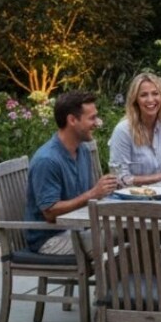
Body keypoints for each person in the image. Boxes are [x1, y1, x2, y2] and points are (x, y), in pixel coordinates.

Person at [25, 90, 118, 254]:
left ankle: (125, 279)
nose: (96, 123)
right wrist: (93, 194)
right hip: (50, 239)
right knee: (130, 233)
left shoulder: (81, 150)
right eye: (92, 118)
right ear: (72, 120)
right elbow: (50, 213)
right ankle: (122, 279)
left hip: (77, 229)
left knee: (134, 228)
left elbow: (87, 197)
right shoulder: (47, 160)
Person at [108, 71, 161, 184]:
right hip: (134, 198)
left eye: (155, 93)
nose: (150, 100)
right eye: (143, 95)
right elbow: (120, 178)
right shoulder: (123, 130)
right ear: (135, 100)